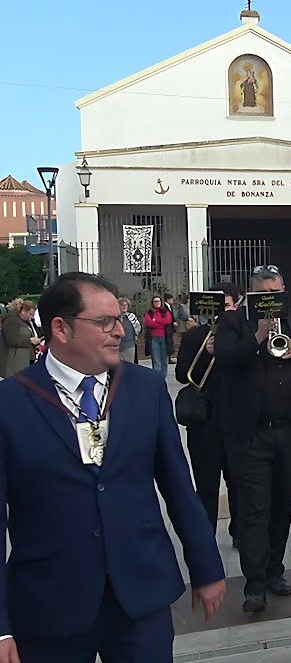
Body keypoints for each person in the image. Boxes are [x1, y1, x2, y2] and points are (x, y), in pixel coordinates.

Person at [0, 272, 225, 661]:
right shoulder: (11, 402)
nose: (119, 332)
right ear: (61, 328)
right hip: (51, 603)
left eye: (119, 320)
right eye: (104, 322)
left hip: (141, 595)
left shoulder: (145, 389)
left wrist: (206, 566)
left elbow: (177, 486)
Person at [213, 265, 291, 614]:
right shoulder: (235, 323)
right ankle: (254, 585)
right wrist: (258, 336)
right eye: (263, 295)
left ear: (284, 291)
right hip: (252, 434)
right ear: (253, 296)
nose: (270, 299)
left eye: (275, 293)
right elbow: (224, 358)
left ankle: (274, 571)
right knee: (254, 509)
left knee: (283, 504)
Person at [176, 282, 243, 545]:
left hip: (237, 422)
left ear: (237, 306)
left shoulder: (242, 336)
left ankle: (240, 533)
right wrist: (206, 352)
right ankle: (206, 541)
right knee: (206, 487)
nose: (223, 313)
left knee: (239, 484)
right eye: (218, 307)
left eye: (227, 306)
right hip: (204, 424)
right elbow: (183, 374)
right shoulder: (195, 337)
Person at [1, 299, 40, 377]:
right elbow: (12, 340)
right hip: (13, 362)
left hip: (23, 360)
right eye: (30, 314)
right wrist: (30, 341)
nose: (31, 317)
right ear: (23, 311)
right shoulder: (11, 320)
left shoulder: (23, 321)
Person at [143, 295, 173, 376]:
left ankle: (163, 379)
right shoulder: (148, 313)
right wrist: (160, 323)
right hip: (153, 338)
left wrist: (156, 320)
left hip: (165, 338)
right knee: (156, 361)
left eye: (158, 301)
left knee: (164, 361)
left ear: (161, 302)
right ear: (152, 303)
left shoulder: (166, 312)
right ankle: (157, 378)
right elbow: (149, 323)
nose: (157, 303)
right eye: (155, 301)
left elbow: (168, 320)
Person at [119, 297, 141, 364]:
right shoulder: (115, 317)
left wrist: (135, 336)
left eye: (126, 305)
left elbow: (138, 328)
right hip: (117, 345)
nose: (124, 307)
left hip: (129, 344)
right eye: (122, 305)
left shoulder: (132, 316)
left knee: (129, 364)